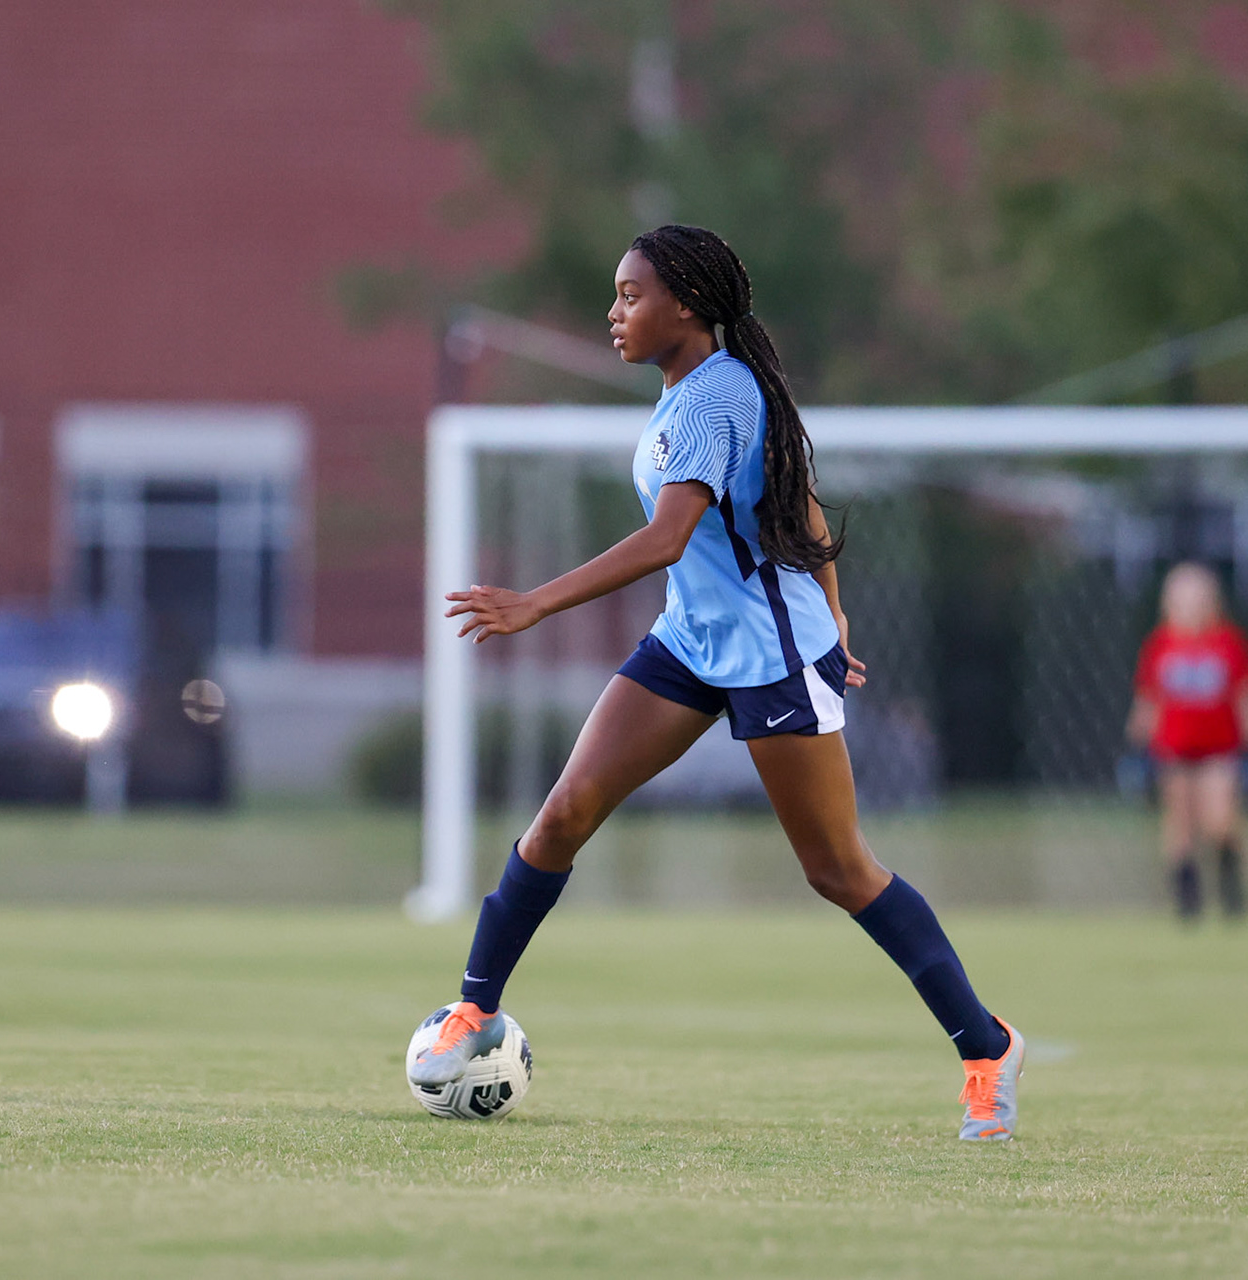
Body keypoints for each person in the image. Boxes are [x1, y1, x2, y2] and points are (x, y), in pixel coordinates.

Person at [411, 225, 1023, 1141]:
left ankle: (987, 1048)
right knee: (565, 813)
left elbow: (666, 540)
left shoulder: (714, 398)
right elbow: (796, 494)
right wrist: (835, 603)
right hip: (691, 643)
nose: (614, 312)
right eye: (616, 295)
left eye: (630, 295)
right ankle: (473, 1010)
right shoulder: (696, 394)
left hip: (772, 653)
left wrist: (535, 603)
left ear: (687, 306)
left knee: (837, 869)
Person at [1126, 562, 1248, 921]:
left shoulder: (1228, 643)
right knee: (1180, 824)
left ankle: (1229, 875)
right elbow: (1149, 700)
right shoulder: (1160, 645)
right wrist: (1136, 744)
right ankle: (1188, 901)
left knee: (1220, 819)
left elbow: (1247, 695)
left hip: (1219, 747)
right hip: (1173, 748)